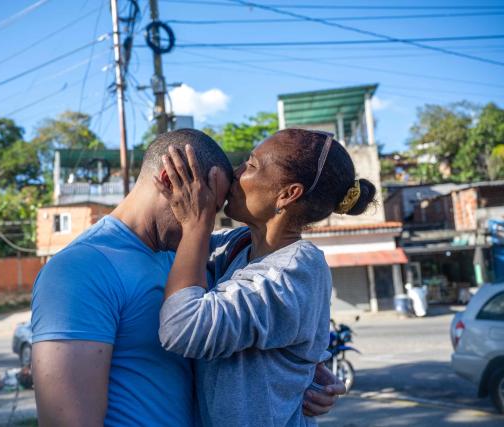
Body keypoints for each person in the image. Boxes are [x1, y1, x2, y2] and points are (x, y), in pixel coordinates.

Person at [31, 129, 345, 426]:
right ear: (170, 181)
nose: (206, 221)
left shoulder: (191, 257)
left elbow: (275, 303)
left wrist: (302, 371)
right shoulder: (78, 271)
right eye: (207, 208)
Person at [155, 129, 377, 426]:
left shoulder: (294, 270)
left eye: (252, 165)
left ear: (288, 194)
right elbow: (172, 248)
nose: (236, 173)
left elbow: (182, 328)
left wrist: (196, 224)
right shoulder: (237, 246)